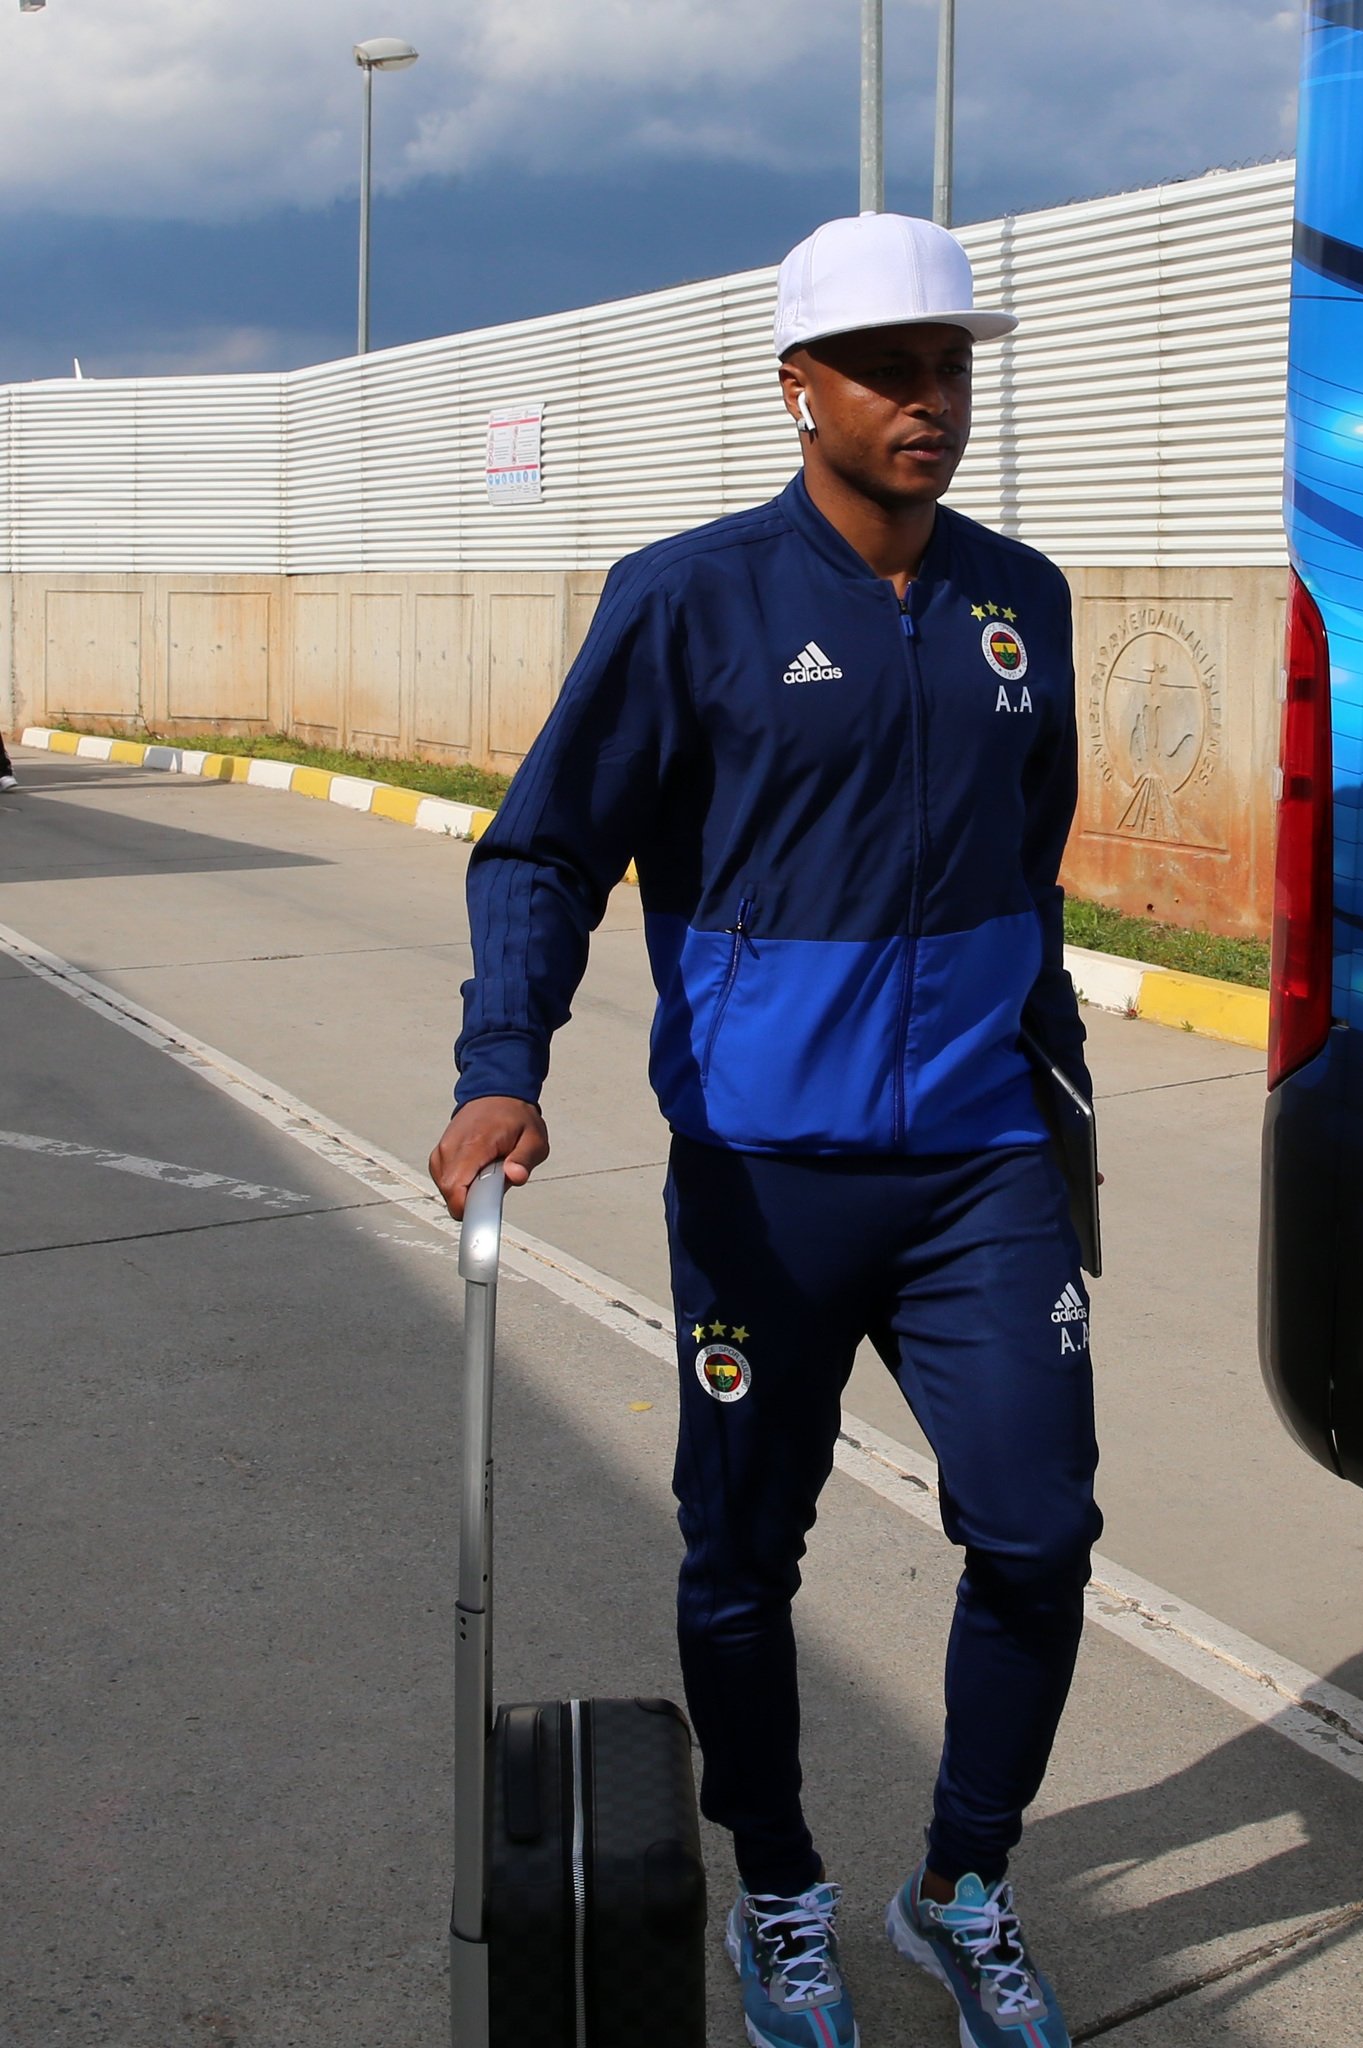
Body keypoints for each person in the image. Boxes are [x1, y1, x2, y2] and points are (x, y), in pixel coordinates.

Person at [429, 212, 1099, 2048]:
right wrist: (508, 1061)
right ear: (794, 383)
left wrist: (1050, 1095)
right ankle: (782, 1894)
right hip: (762, 1176)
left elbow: (1023, 870)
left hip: (978, 1169)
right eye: (884, 365)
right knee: (741, 1563)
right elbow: (549, 847)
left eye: (949, 361)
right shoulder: (689, 597)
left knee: (1036, 1535)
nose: (925, 397)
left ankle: (961, 1883)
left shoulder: (1016, 598)